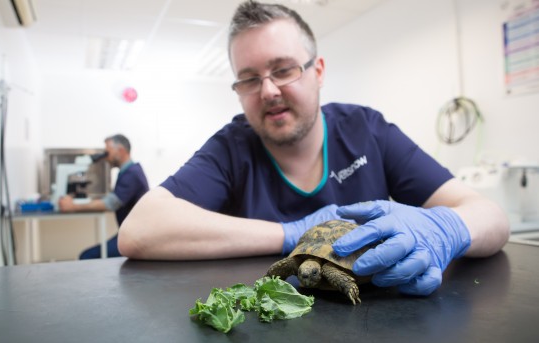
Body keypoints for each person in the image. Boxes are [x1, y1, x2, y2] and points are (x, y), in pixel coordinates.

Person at [118, 0, 509, 296]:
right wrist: (291, 235)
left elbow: (491, 217)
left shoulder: (366, 131)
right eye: (249, 79)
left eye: (283, 69)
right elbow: (139, 230)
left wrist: (446, 228)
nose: (268, 90)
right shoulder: (232, 147)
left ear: (317, 71)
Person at [59, 134, 149, 259]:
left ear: (121, 150)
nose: (106, 157)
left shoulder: (132, 174)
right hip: (129, 233)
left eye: (108, 152)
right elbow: (113, 198)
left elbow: (110, 203)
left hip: (135, 237)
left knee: (86, 256)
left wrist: (73, 206)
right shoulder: (129, 171)